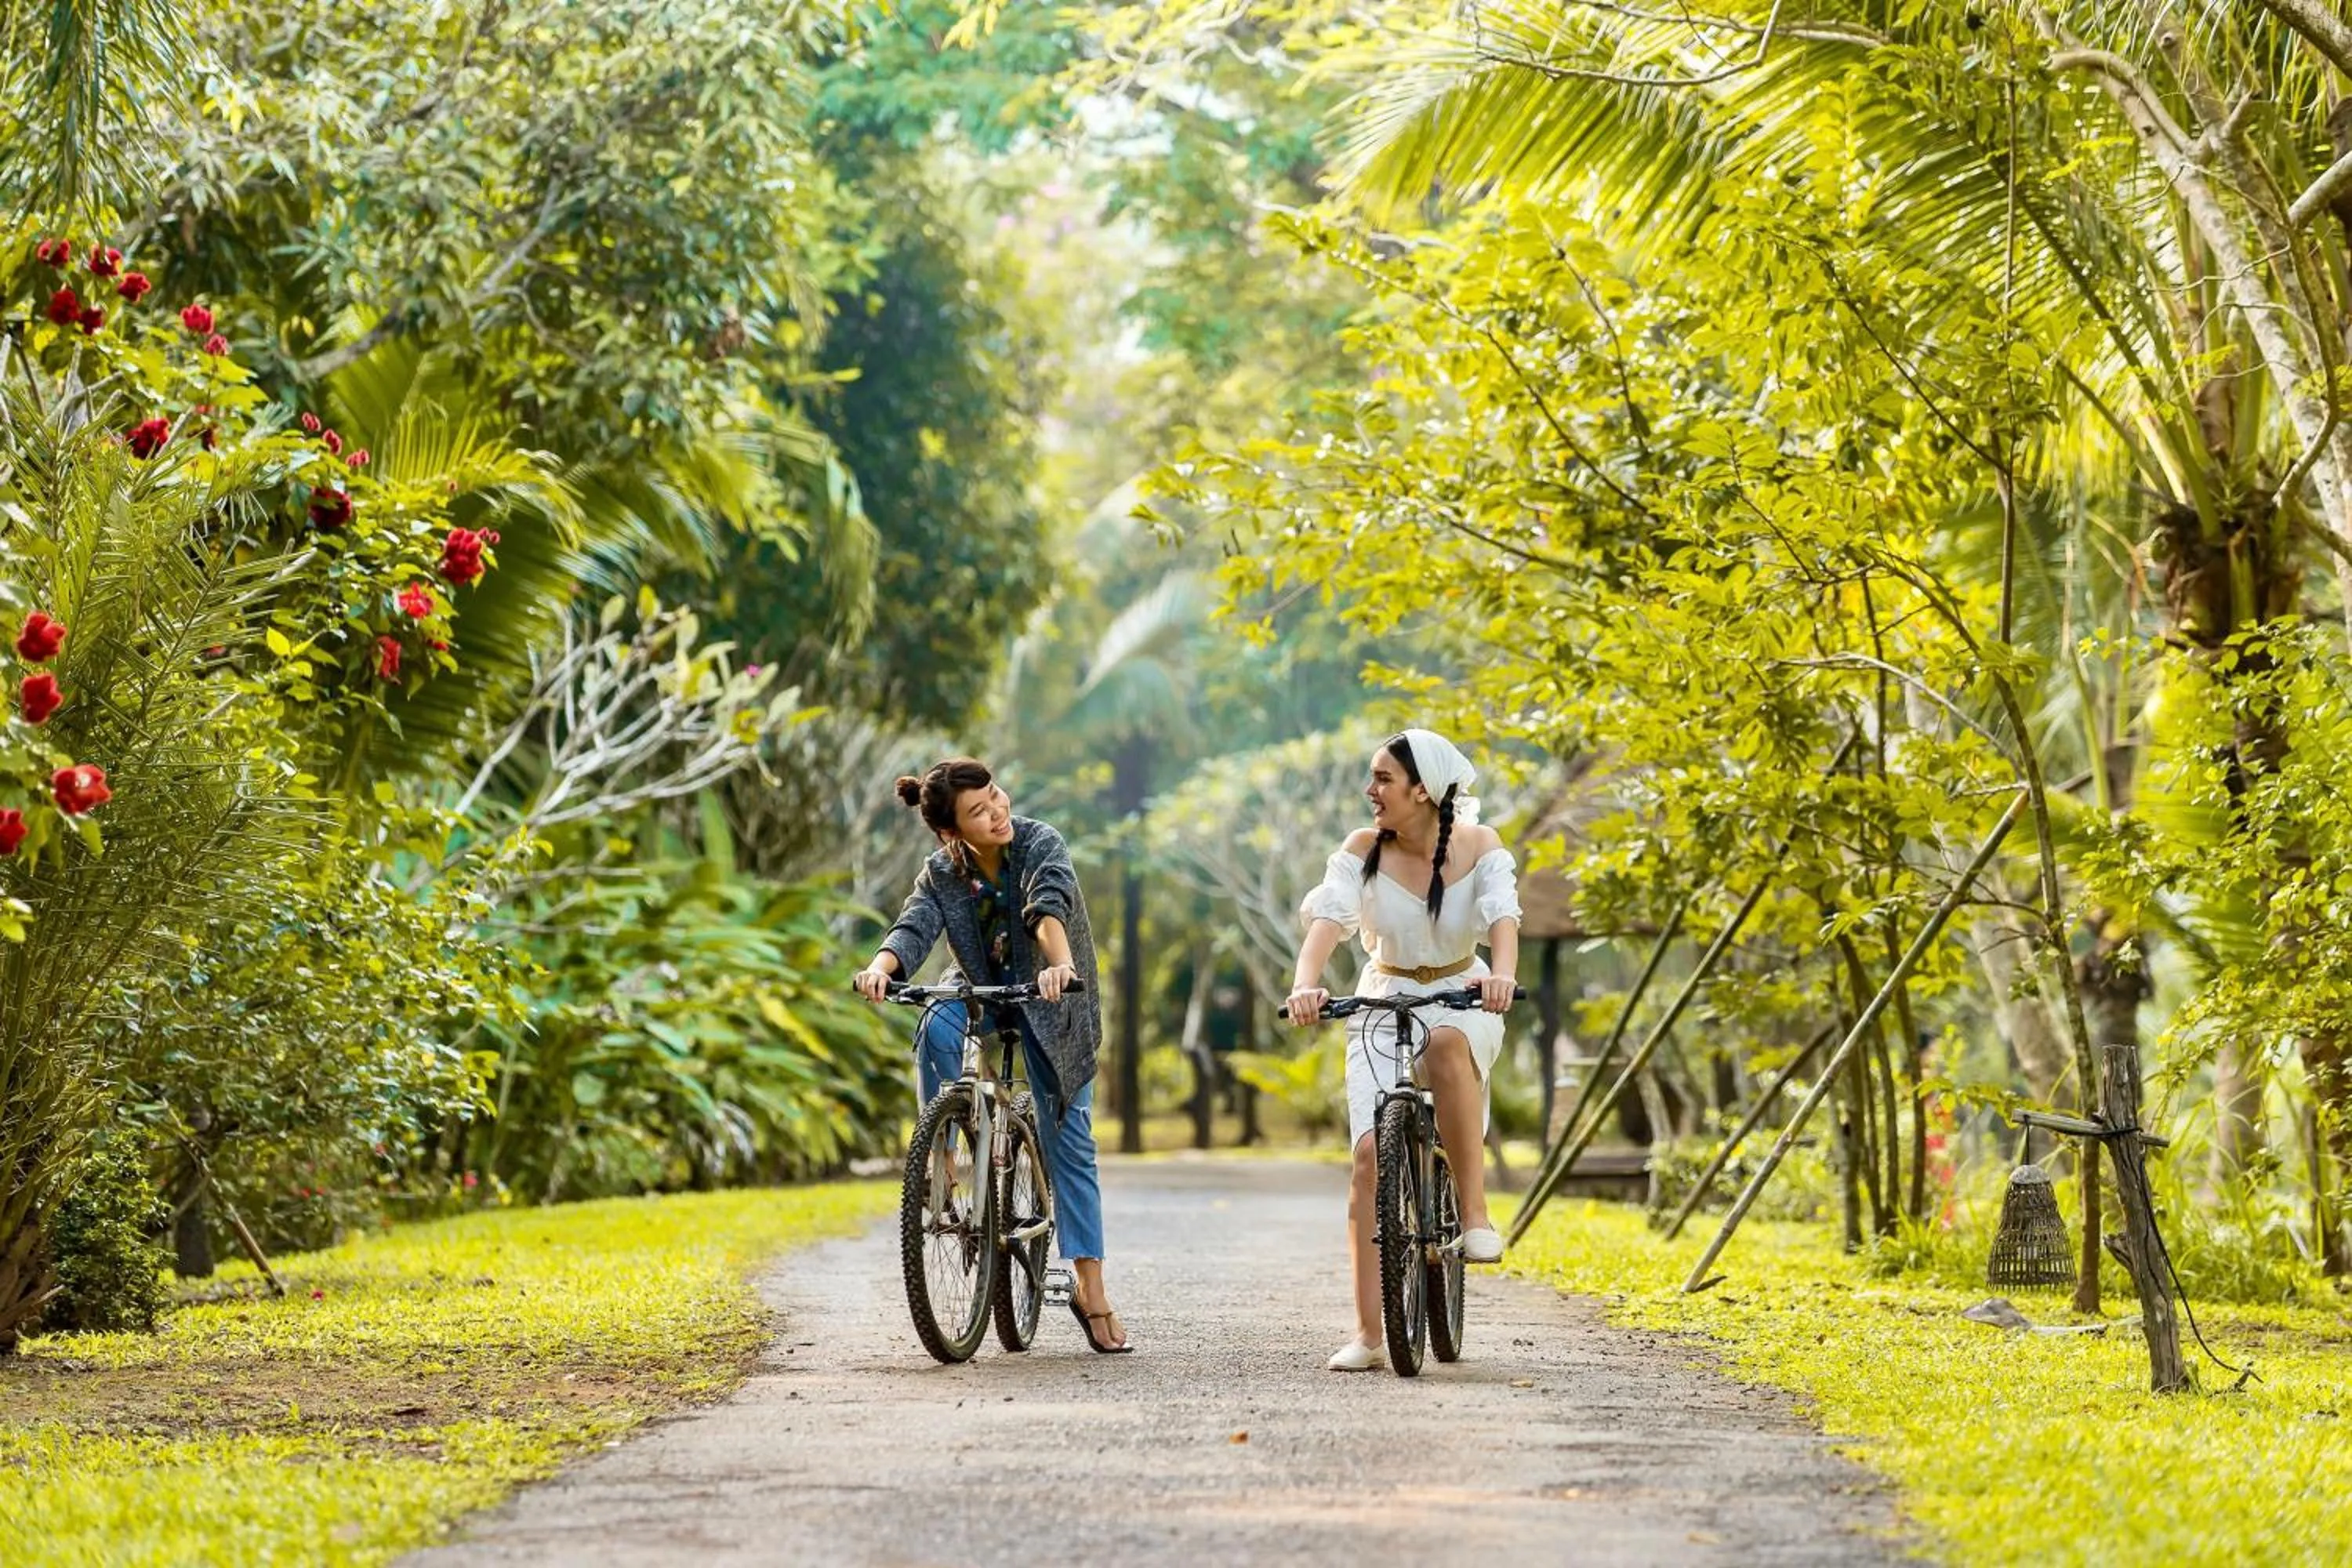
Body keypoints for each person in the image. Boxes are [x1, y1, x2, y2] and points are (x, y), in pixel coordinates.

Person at [852, 757, 1131, 1354]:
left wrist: (1060, 965)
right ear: (951, 831)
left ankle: (1091, 1290)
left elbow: (1046, 906)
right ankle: (945, 1154)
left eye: (997, 796)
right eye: (979, 811)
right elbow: (915, 925)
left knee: (1070, 1140)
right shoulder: (941, 871)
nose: (997, 811)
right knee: (935, 1023)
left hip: (1053, 994)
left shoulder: (1039, 842)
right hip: (980, 987)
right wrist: (880, 969)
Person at [1285, 730, 1522, 1372]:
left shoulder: (1481, 846)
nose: (1371, 792)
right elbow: (1329, 921)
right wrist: (1306, 984)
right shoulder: (1362, 850)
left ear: (1424, 790)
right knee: (1368, 1157)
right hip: (1381, 995)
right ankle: (1369, 1333)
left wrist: (1500, 975)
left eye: (1383, 779)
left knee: (1446, 1048)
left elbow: (1503, 917)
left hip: (1462, 994)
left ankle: (1473, 1215)